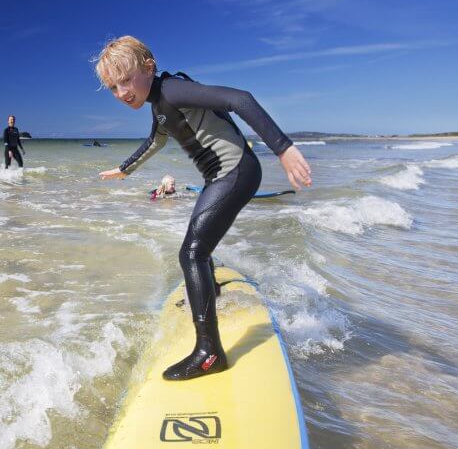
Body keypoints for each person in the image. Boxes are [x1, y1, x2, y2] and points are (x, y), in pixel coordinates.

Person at [95, 36, 312, 380]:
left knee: (191, 254)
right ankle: (208, 288)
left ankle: (209, 353)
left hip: (234, 172)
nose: (121, 93)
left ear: (148, 68)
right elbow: (156, 141)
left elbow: (240, 99)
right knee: (199, 245)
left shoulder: (173, 90)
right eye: (112, 88)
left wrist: (283, 149)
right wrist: (125, 169)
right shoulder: (159, 103)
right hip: (221, 177)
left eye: (125, 81)